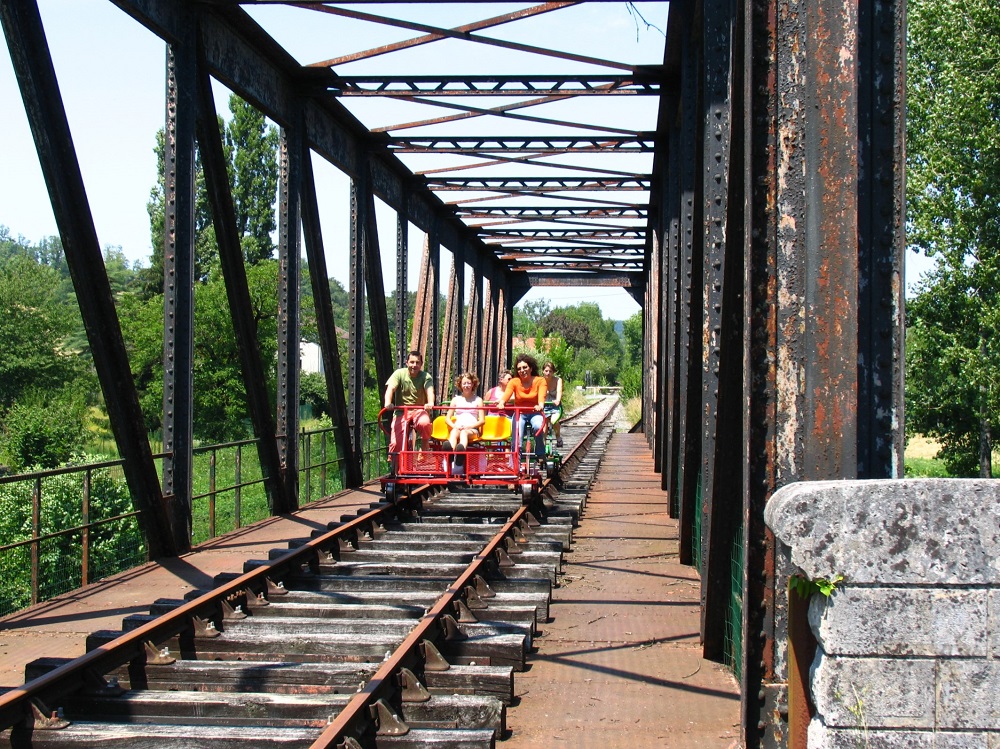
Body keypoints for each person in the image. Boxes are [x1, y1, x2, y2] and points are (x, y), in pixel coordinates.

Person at [496, 353, 547, 464]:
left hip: (535, 412)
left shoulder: (540, 381)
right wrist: (502, 402)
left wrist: (540, 405)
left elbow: (542, 396)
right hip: (520, 413)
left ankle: (540, 452)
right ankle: (514, 462)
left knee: (538, 426)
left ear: (531, 368)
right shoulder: (514, 382)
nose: (522, 370)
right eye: (519, 369)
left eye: (525, 367)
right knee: (517, 434)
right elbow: (507, 394)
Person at [383, 351, 435, 453]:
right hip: (401, 412)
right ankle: (396, 466)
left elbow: (429, 390)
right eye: (412, 362)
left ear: (421, 364)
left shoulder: (426, 376)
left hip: (419, 410)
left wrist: (430, 402)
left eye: (417, 362)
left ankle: (424, 447)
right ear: (407, 362)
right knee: (395, 444)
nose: (414, 365)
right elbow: (390, 388)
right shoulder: (399, 374)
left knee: (425, 423)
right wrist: (388, 402)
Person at [445, 372, 485, 451]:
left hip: (472, 429)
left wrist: (470, 427)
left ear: (473, 384)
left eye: (468, 383)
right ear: (460, 385)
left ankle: (461, 452)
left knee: (464, 433)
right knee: (454, 432)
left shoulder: (478, 400)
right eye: (464, 383)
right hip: (458, 427)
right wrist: (455, 426)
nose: (466, 386)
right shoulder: (455, 400)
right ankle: (450, 453)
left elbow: (482, 420)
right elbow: (447, 419)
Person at [542, 361, 564, 447]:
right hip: (544, 405)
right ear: (543, 371)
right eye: (546, 371)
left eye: (550, 371)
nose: (548, 373)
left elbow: (559, 391)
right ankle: (543, 443)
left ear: (553, 372)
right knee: (544, 423)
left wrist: (558, 400)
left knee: (554, 421)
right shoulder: (540, 380)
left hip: (555, 405)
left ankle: (558, 437)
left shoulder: (558, 380)